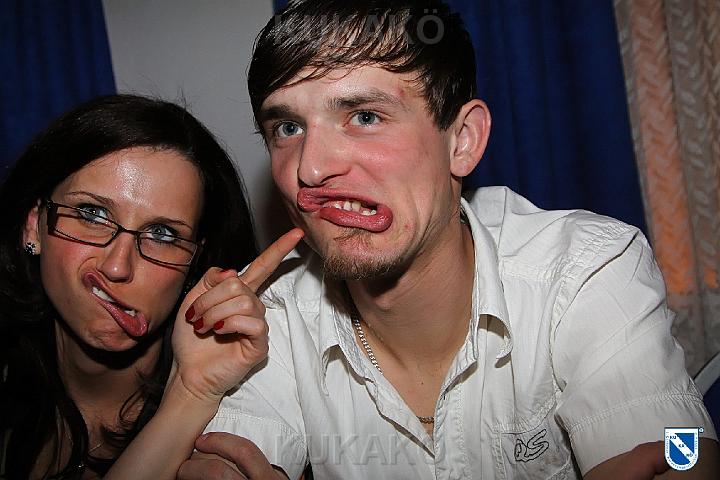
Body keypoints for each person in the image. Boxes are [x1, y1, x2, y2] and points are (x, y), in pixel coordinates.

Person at [173, 0, 720, 479]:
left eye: (365, 116)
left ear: (462, 140)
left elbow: (684, 446)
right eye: (288, 128)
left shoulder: (586, 267)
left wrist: (682, 455)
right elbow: (230, 460)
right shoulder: (271, 315)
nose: (310, 169)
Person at [0, 94, 303, 479]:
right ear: (34, 226)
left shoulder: (241, 421)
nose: (117, 266)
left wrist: (190, 395)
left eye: (162, 234)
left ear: (194, 263)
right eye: (93, 213)